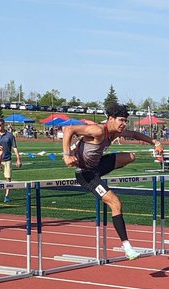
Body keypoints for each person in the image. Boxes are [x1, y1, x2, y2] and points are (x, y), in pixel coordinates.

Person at [61, 111, 155, 260]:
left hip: (97, 166)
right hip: (85, 174)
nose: (123, 124)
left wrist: (156, 143)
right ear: (110, 119)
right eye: (121, 120)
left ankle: (99, 175)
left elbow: (136, 135)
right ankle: (127, 247)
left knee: (130, 157)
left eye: (126, 121)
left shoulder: (115, 133)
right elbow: (69, 129)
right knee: (116, 203)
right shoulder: (98, 130)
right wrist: (67, 155)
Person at [0, 116, 22, 202]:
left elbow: (14, 147)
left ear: (3, 125)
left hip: (7, 159)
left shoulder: (10, 135)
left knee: (7, 178)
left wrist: (18, 158)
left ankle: (7, 196)